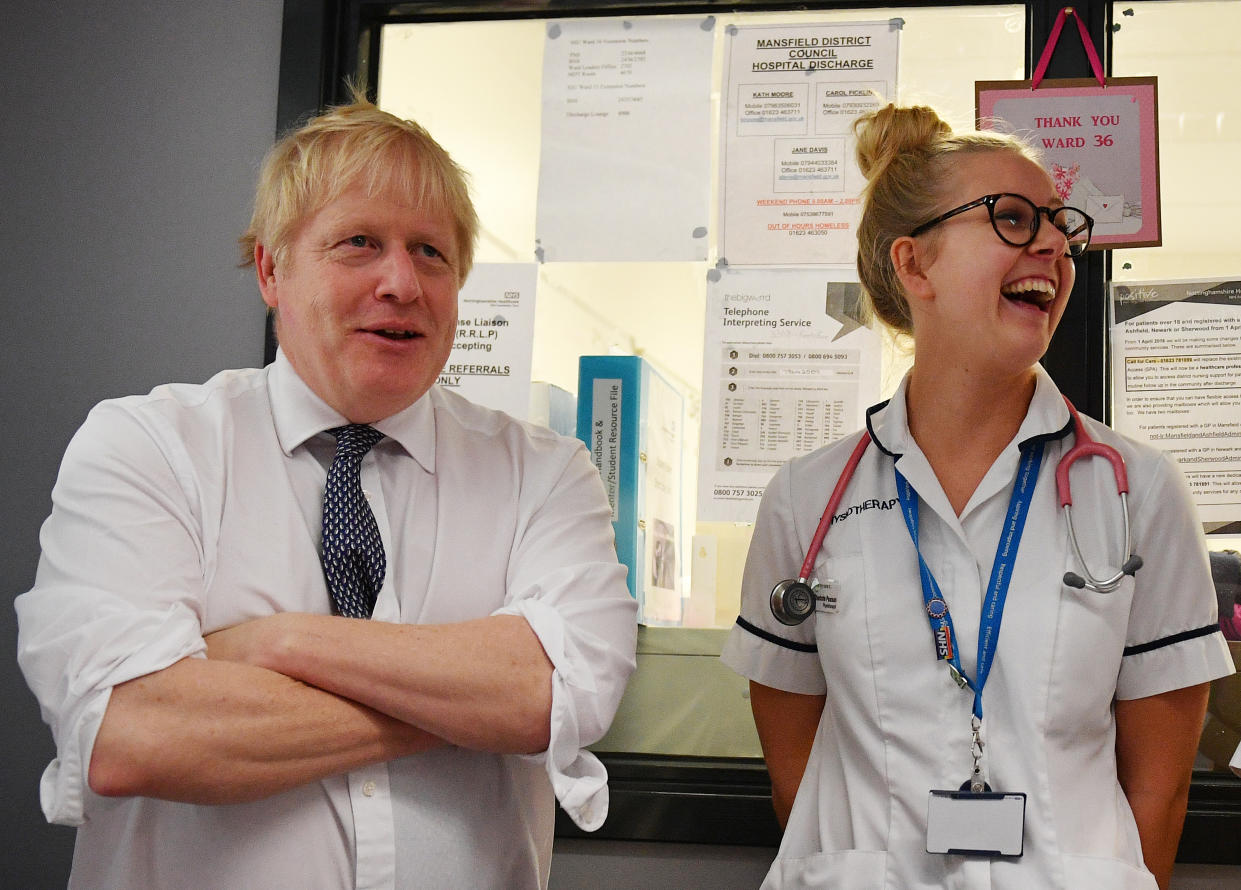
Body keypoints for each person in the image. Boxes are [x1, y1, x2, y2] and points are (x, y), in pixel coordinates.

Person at [16, 97, 638, 889]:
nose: (401, 283)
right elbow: (134, 735)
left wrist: (277, 643)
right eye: (359, 244)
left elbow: (553, 694)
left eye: (431, 253)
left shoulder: (545, 474)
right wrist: (463, 707)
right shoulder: (150, 447)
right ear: (272, 270)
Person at [721, 104, 1234, 890]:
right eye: (1013, 218)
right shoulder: (805, 497)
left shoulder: (1138, 489)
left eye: (1061, 224)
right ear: (915, 267)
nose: (1055, 244)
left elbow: (1159, 791)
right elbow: (791, 758)